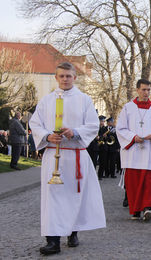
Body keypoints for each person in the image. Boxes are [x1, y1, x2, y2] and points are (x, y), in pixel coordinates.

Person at [30, 62, 106, 255]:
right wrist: (47, 136)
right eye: (61, 76)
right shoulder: (46, 101)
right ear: (56, 78)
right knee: (53, 199)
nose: (65, 79)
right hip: (52, 156)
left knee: (74, 197)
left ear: (75, 77)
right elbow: (35, 124)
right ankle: (52, 240)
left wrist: (75, 132)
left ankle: (73, 232)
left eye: (68, 76)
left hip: (75, 156)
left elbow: (92, 125)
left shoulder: (84, 100)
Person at [116, 78, 151, 221]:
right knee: (134, 182)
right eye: (144, 89)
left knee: (149, 181)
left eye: (148, 90)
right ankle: (136, 210)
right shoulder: (128, 108)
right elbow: (120, 128)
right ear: (137, 90)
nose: (146, 93)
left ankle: (147, 208)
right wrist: (132, 137)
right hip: (133, 152)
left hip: (149, 150)